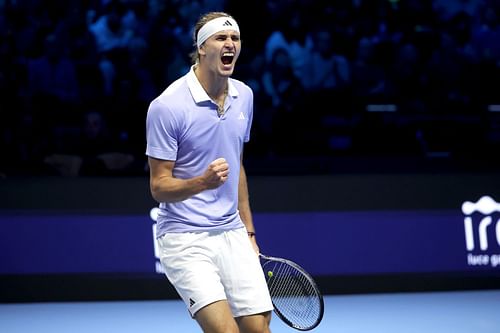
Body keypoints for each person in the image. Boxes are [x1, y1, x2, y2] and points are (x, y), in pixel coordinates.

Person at [145, 11, 273, 333]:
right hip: (184, 237)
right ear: (202, 47)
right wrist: (202, 182)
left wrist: (249, 233)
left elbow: (237, 165)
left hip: (232, 233)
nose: (230, 44)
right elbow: (159, 187)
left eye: (235, 39)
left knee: (258, 330)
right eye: (221, 38)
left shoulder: (244, 96)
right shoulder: (167, 106)